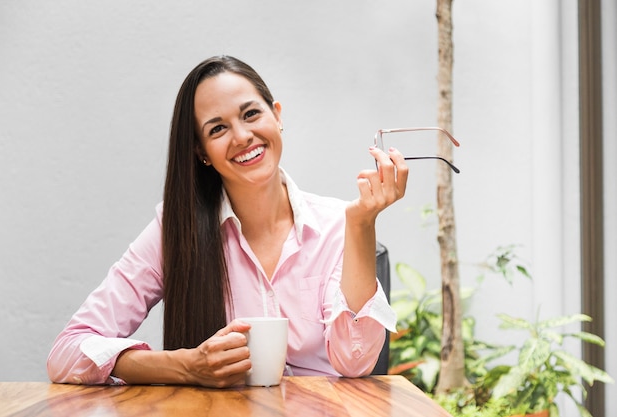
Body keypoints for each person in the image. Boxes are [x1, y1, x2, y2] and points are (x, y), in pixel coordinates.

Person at [47, 55, 409, 387]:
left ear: (277, 115)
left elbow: (355, 360)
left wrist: (361, 225)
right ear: (201, 152)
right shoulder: (175, 230)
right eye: (217, 129)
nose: (241, 137)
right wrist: (185, 366)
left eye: (251, 114)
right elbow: (68, 352)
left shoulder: (336, 225)